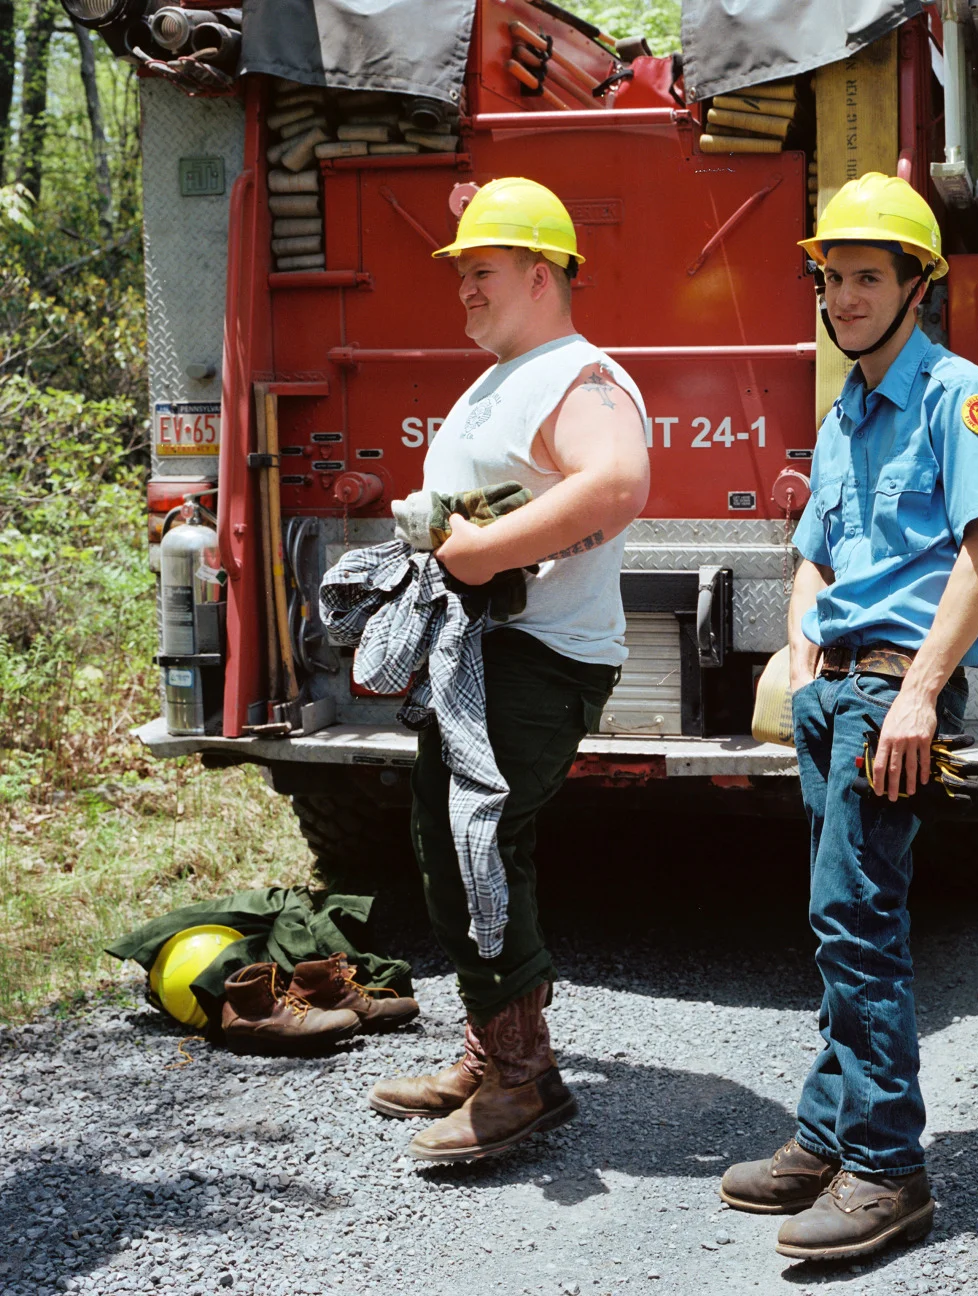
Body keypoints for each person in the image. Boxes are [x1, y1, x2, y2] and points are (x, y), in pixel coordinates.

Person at [719, 173, 978, 1262]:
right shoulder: (845, 409)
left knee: (860, 926)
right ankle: (824, 1133)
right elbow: (813, 554)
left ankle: (887, 1166)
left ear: (915, 285)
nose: (841, 296)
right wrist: (801, 656)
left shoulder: (961, 399)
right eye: (830, 276)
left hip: (895, 690)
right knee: (830, 918)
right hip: (832, 692)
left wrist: (920, 697)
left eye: (864, 276)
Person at [366, 177, 650, 1162]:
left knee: (468, 848)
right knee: (476, 844)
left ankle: (523, 1079)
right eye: (461, 274)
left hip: (530, 657)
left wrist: (480, 552)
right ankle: (494, 1049)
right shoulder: (513, 373)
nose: (464, 291)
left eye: (481, 272)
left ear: (541, 275)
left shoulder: (578, 377)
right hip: (491, 657)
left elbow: (614, 482)